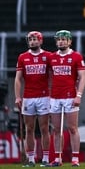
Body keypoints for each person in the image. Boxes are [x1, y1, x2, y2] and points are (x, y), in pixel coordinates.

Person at [47, 30, 85, 167]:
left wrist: (79, 95)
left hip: (70, 97)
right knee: (56, 129)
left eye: (64, 39)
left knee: (72, 128)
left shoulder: (76, 56)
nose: (61, 41)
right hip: (55, 98)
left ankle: (75, 158)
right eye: (59, 39)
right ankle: (58, 158)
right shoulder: (51, 57)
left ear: (70, 41)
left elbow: (82, 77)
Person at [14, 31, 53, 167]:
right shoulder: (22, 57)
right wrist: (18, 97)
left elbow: (55, 75)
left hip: (44, 97)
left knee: (44, 129)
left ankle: (46, 159)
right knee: (29, 129)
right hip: (28, 97)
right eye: (30, 39)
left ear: (41, 41)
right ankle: (31, 159)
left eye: (35, 39)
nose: (32, 41)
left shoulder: (48, 56)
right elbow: (18, 79)